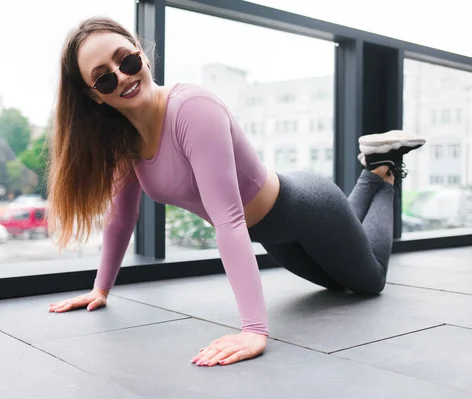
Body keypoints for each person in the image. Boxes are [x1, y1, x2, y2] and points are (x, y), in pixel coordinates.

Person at [47, 16, 426, 367]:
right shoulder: (125, 141)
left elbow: (228, 219)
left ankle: (383, 172)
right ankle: (373, 168)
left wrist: (254, 331)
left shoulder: (191, 109)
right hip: (272, 234)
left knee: (369, 283)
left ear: (141, 54)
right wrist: (101, 289)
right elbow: (121, 218)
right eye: (105, 78)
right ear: (95, 95)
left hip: (306, 209)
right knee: (339, 285)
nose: (122, 76)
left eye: (126, 61)